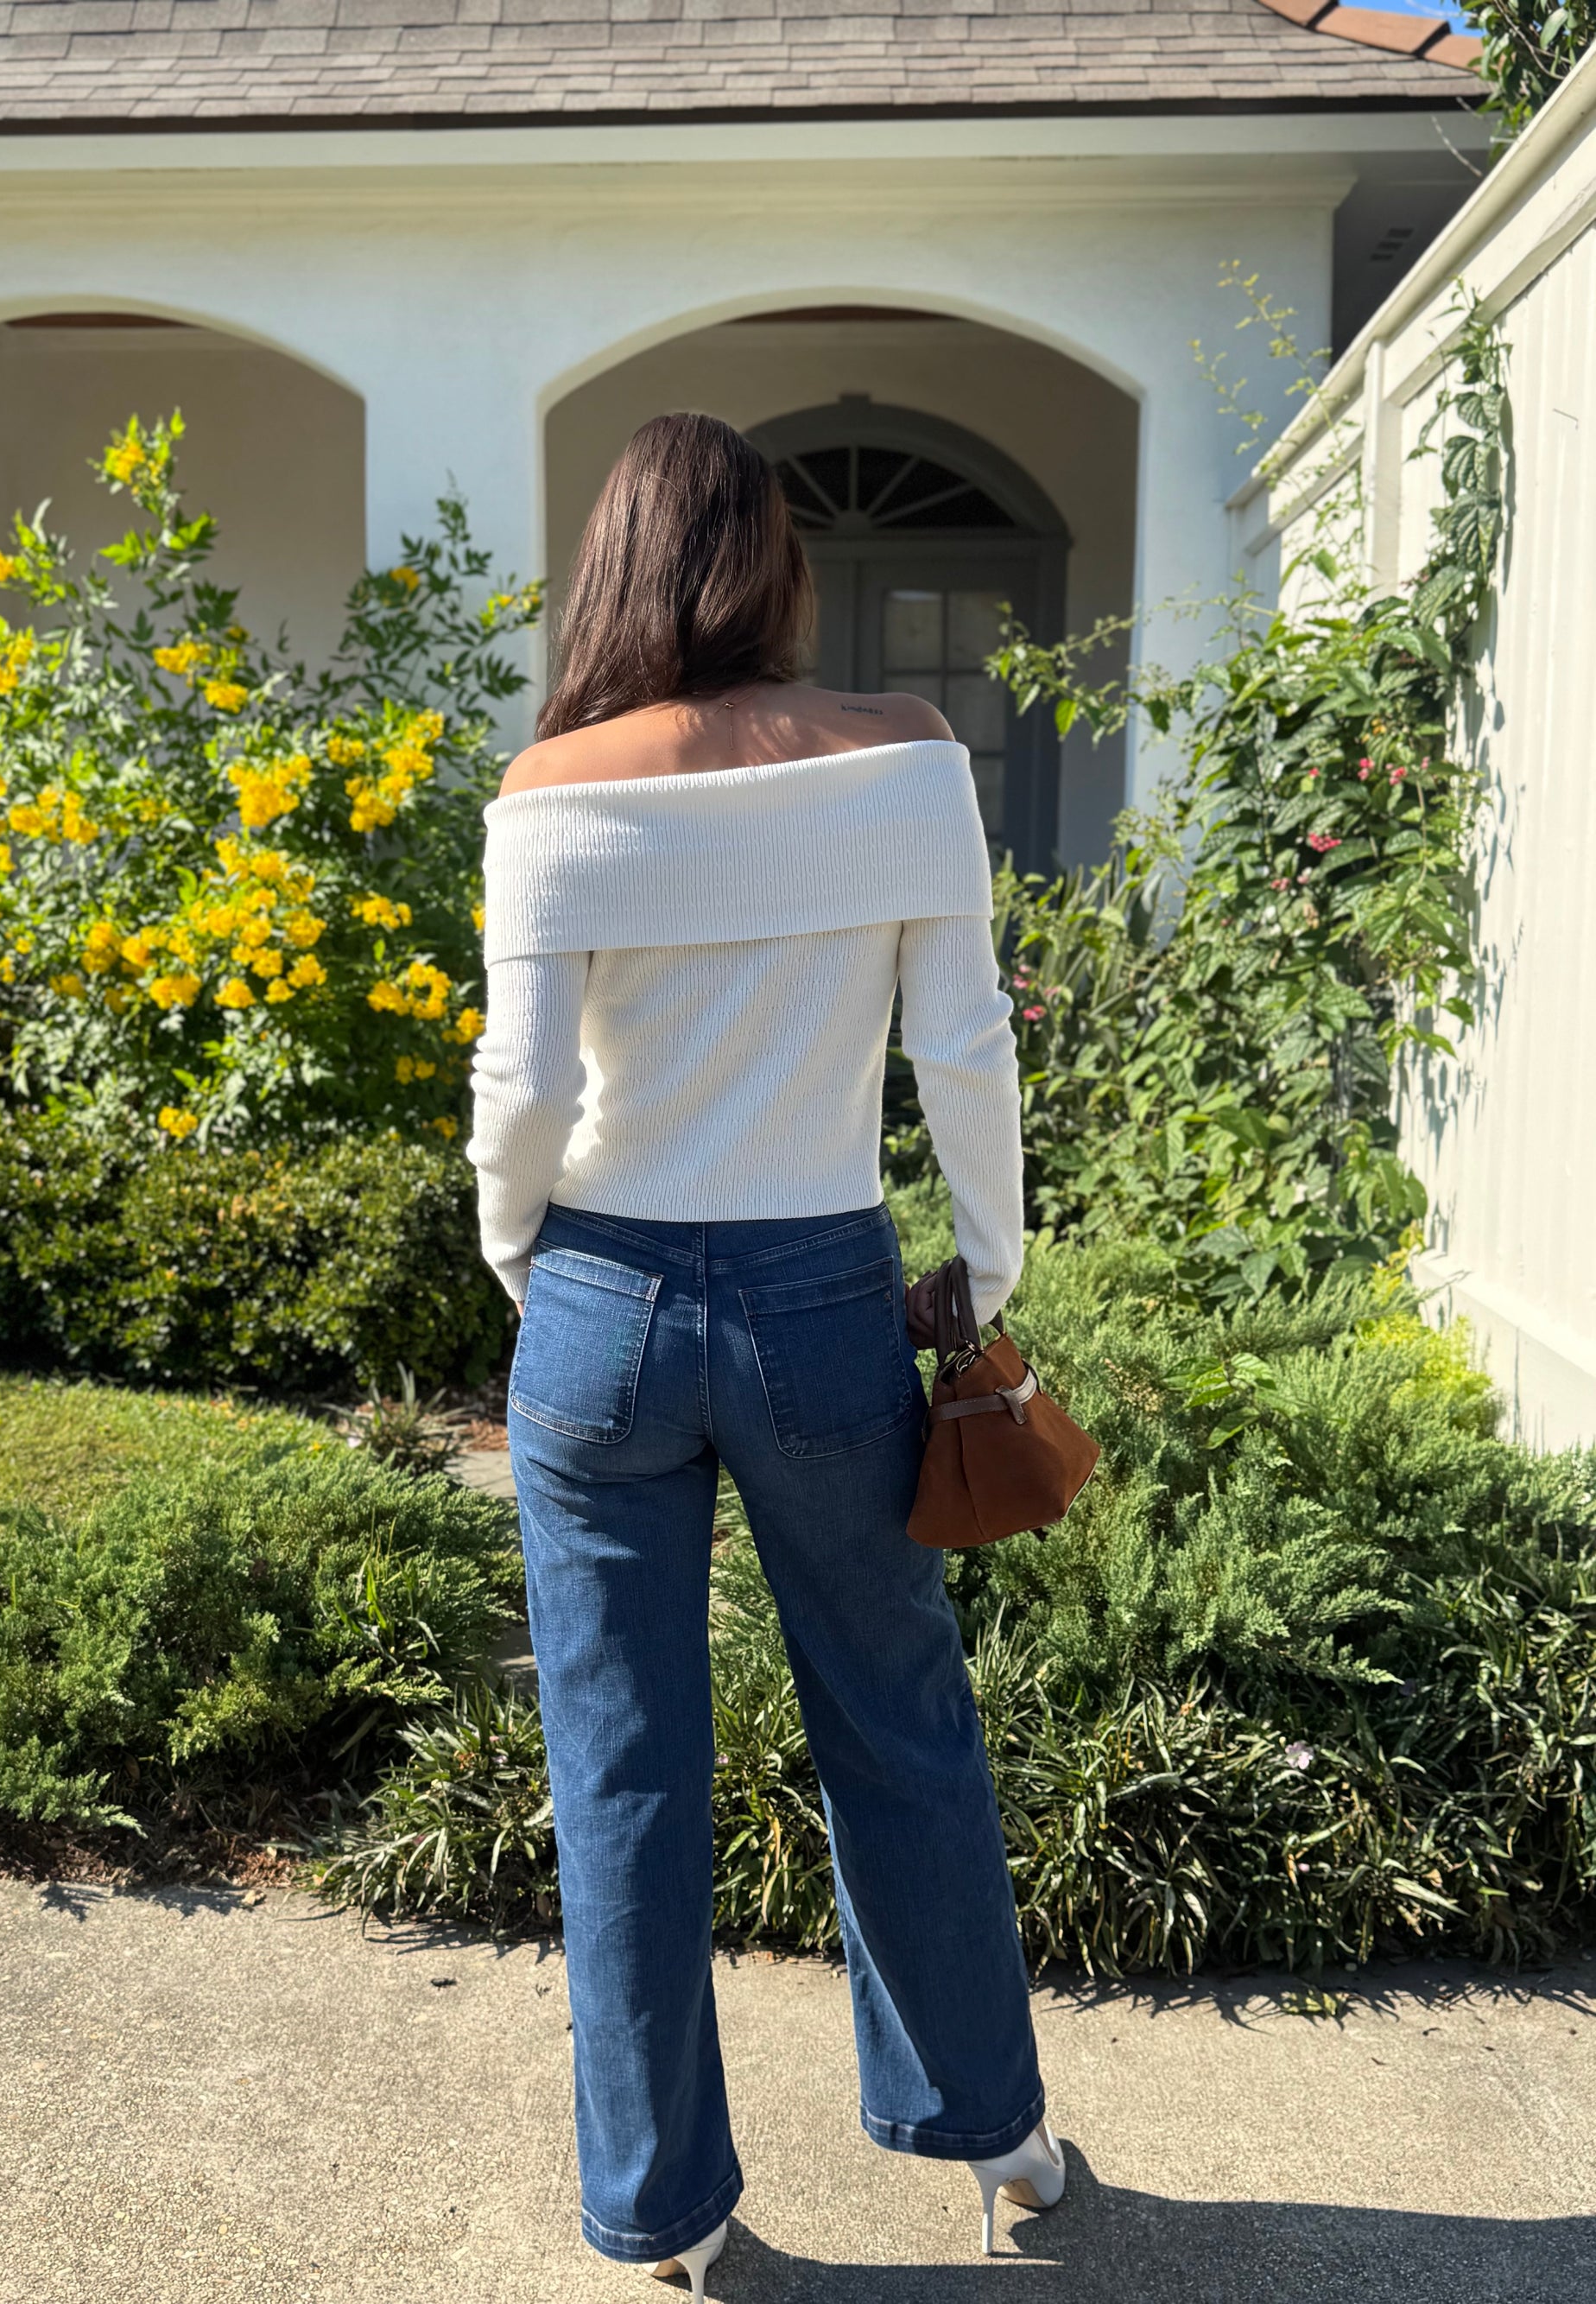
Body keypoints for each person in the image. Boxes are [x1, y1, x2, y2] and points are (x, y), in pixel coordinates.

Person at [466, 411, 1063, 2296]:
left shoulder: (550, 787)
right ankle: (998, 2136)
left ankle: (669, 2209)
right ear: (776, 564)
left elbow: (523, 1091)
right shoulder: (900, 758)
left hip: (600, 1304)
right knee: (900, 1724)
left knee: (624, 1765)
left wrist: (518, 1255)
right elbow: (963, 1043)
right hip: (821, 1294)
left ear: (610, 570)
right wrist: (984, 1261)